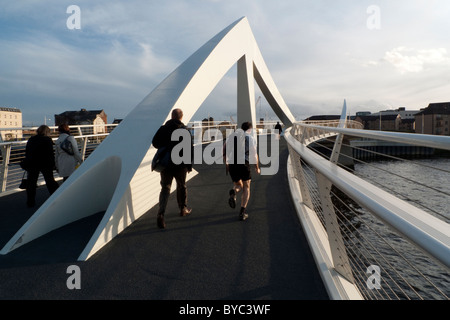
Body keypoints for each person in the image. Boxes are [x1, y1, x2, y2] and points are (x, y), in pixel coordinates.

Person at [152, 108, 193, 229]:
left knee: (165, 188)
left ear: (171, 116)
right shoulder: (184, 130)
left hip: (166, 164)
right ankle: (183, 209)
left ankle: (161, 213)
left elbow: (155, 143)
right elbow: (189, 150)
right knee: (181, 186)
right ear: (181, 117)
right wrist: (189, 165)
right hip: (180, 164)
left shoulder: (163, 128)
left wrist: (166, 144)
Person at [225, 122, 260, 221]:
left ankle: (234, 192)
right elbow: (253, 154)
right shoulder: (250, 138)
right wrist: (256, 167)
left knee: (238, 185)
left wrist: (227, 163)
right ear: (250, 130)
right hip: (244, 164)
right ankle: (242, 212)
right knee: (246, 187)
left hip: (232, 164)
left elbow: (224, 150)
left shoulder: (232, 137)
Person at [23, 125, 59, 207]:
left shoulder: (31, 139)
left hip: (32, 163)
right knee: (50, 181)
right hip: (45, 163)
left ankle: (30, 202)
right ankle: (55, 198)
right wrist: (53, 164)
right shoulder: (47, 140)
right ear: (47, 132)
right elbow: (50, 154)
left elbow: (27, 152)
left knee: (31, 183)